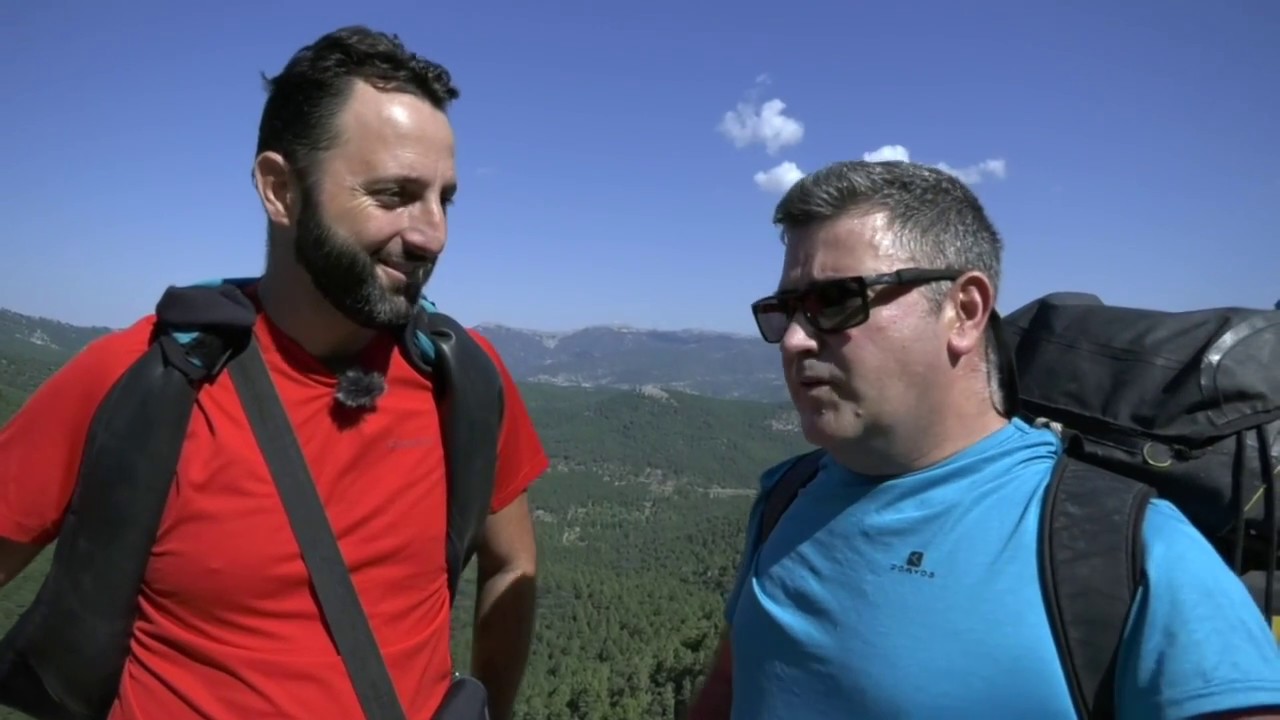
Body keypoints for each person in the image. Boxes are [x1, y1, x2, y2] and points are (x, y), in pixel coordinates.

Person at [0, 26, 547, 720]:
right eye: (394, 194)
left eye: (446, 198)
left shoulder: (462, 378)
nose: (432, 233)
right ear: (280, 189)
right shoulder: (143, 378)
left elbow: (510, 566)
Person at [687, 160, 1280, 719]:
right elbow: (733, 690)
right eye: (783, 310)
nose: (792, 340)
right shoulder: (785, 497)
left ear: (964, 310)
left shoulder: (1129, 552)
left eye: (835, 301)